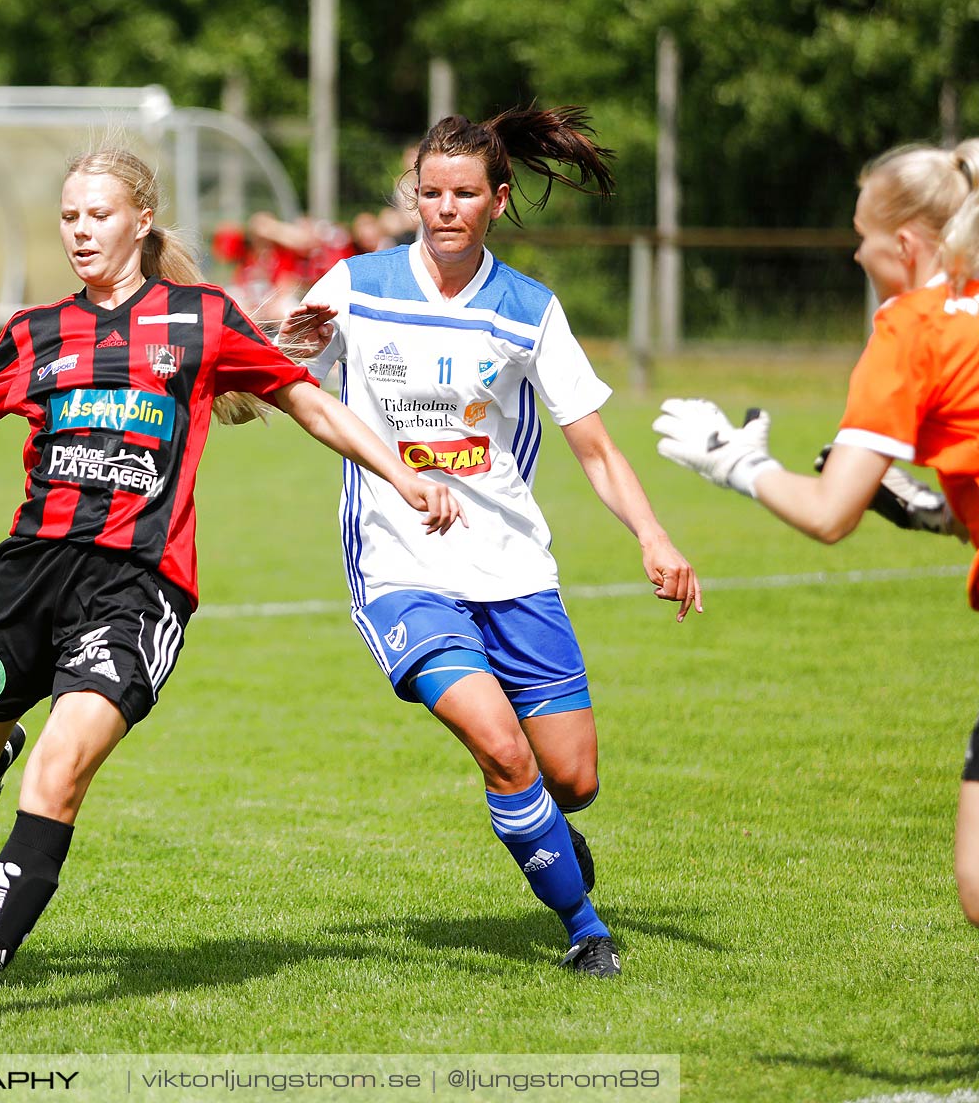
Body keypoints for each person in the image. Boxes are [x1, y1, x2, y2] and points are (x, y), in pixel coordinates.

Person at [0, 146, 465, 1024]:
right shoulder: (34, 331)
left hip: (137, 585)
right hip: (26, 578)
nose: (81, 231)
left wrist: (399, 473)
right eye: (69, 217)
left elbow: (307, 401)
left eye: (98, 215)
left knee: (61, 772)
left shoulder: (201, 320)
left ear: (141, 222)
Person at [279, 106, 703, 978]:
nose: (443, 209)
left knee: (572, 778)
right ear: (413, 197)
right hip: (400, 567)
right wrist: (283, 345)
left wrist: (654, 537)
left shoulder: (528, 310)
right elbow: (282, 394)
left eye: (463, 194)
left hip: (511, 565)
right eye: (429, 192)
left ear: (498, 201)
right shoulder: (353, 286)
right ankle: (586, 932)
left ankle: (548, 829)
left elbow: (594, 444)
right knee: (501, 749)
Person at [653, 139, 979, 927]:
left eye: (861, 236)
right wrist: (943, 516)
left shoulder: (911, 329)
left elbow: (831, 513)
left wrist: (737, 464)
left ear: (904, 246)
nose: (856, 252)